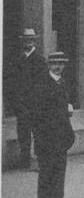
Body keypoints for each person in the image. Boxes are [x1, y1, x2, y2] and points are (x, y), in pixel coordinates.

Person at [31, 51, 75, 198]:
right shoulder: (42, 84)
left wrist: (66, 109)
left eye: (62, 63)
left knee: (59, 170)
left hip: (61, 136)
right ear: (49, 65)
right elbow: (38, 113)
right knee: (46, 172)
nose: (59, 67)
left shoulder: (62, 82)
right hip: (47, 137)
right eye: (55, 63)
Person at [12, 28, 46, 170]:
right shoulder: (18, 58)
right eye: (26, 40)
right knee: (23, 132)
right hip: (21, 103)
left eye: (31, 40)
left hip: (35, 103)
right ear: (23, 41)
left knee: (38, 132)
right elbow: (13, 81)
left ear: (34, 41)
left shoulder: (39, 60)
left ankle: (39, 161)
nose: (28, 42)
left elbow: (42, 83)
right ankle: (25, 160)